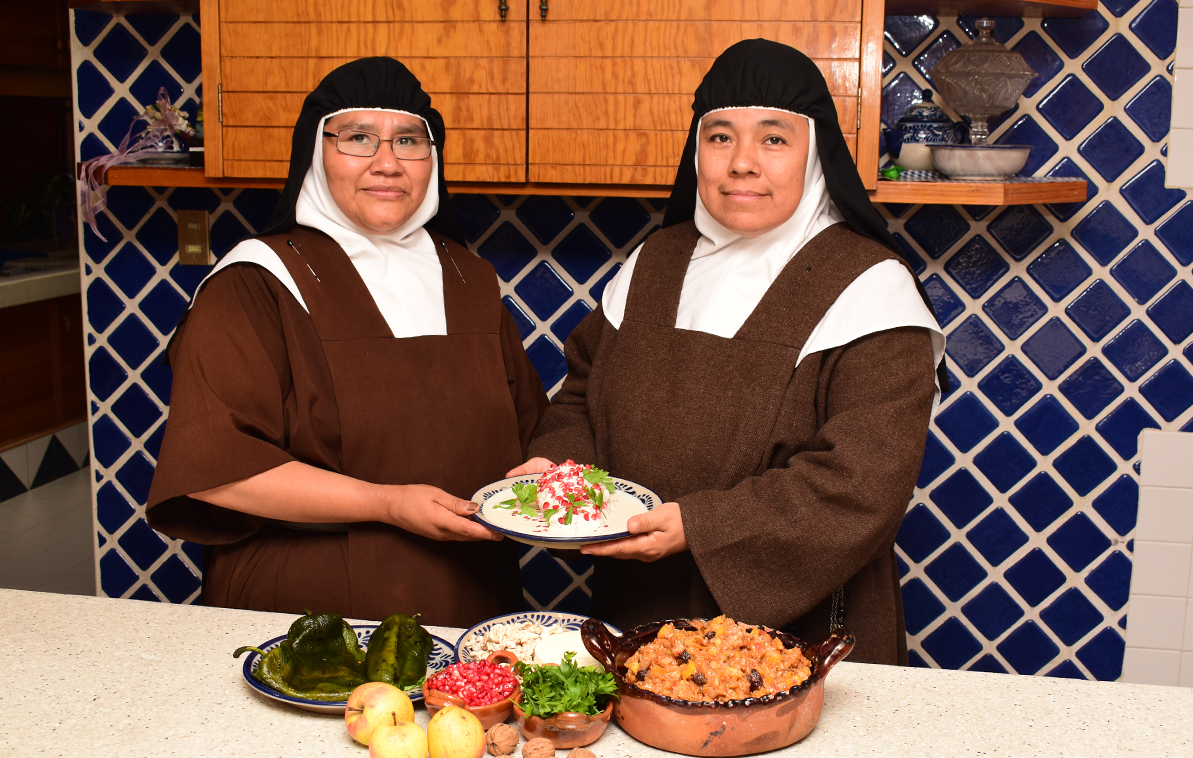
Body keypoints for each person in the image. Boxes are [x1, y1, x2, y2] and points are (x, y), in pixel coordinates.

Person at [513, 39, 946, 665]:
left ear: (816, 154)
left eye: (773, 139)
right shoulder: (653, 264)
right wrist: (558, 471)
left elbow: (859, 488)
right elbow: (583, 394)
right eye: (720, 137)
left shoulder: (870, 286)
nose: (741, 163)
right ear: (697, 153)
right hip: (638, 609)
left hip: (800, 635)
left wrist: (698, 526)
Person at [147, 57, 549, 627]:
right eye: (358, 138)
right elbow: (218, 470)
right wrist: (385, 503)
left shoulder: (469, 278)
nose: (387, 163)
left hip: (472, 607)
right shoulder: (256, 280)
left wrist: (545, 474)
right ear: (317, 152)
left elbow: (528, 436)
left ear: (431, 159)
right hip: (306, 615)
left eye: (408, 140)